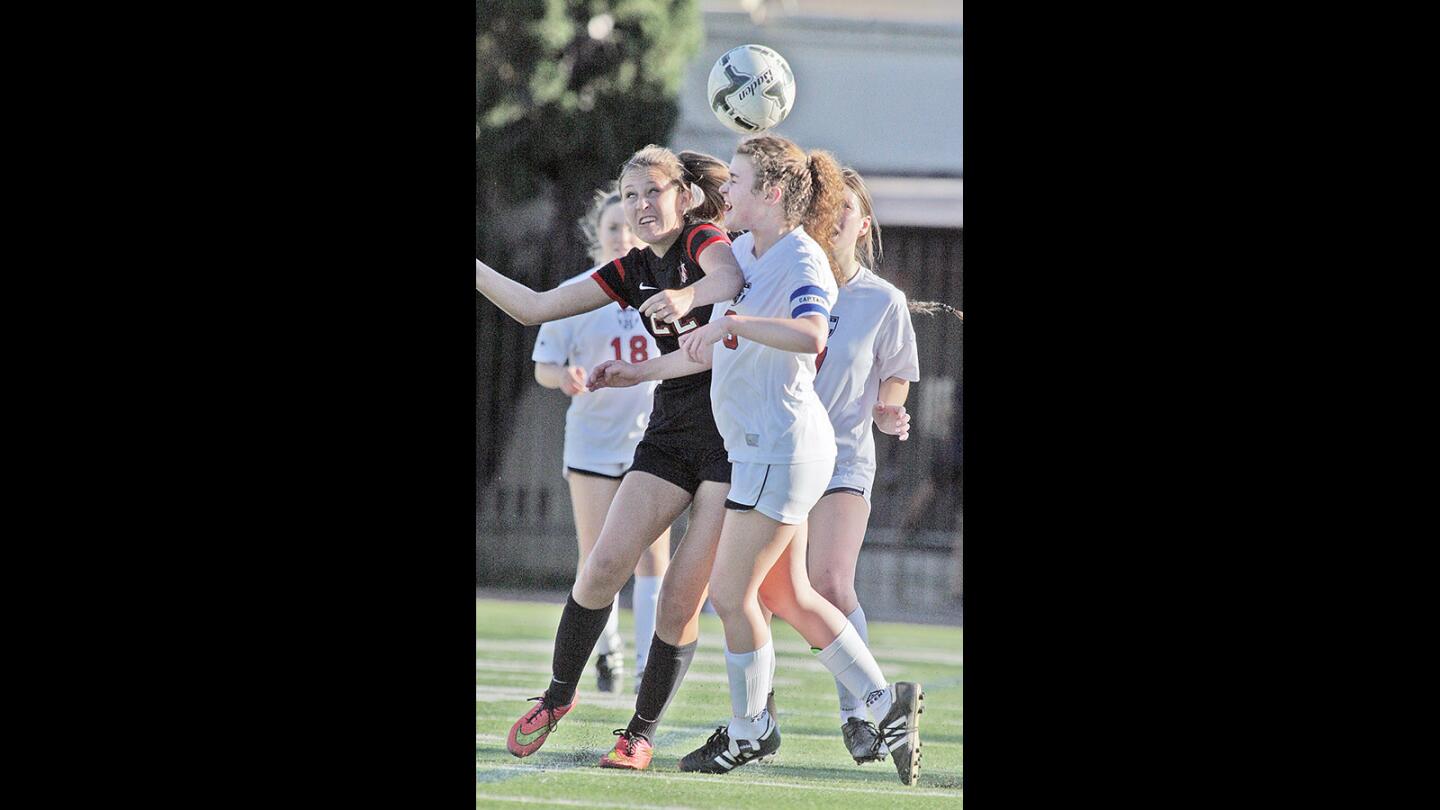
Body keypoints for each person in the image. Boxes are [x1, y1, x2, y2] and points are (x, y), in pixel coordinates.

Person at [594, 135, 924, 785]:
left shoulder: (800, 258)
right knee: (784, 592)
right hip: (765, 449)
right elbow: (708, 344)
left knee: (731, 593)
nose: (727, 194)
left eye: (739, 182)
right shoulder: (746, 251)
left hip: (784, 449)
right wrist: (641, 371)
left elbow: (811, 333)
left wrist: (734, 325)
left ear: (772, 194)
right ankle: (886, 705)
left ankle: (751, 730)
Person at [476, 145, 746, 771]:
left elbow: (728, 279)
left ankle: (639, 732)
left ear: (681, 194)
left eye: (653, 192)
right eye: (630, 196)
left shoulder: (703, 239)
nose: (642, 206)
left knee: (679, 597)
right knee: (601, 568)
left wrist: (684, 299)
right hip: (672, 431)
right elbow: (536, 307)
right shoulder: (628, 270)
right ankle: (557, 697)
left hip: (735, 437)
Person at [530, 185, 671, 692]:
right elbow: (545, 366)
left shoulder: (662, 288)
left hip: (651, 442)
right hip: (591, 443)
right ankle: (606, 651)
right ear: (599, 236)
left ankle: (644, 663)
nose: (624, 235)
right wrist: (563, 376)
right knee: (598, 554)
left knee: (654, 556)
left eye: (630, 227)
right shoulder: (579, 292)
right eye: (613, 228)